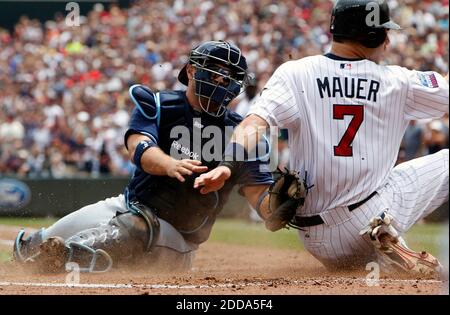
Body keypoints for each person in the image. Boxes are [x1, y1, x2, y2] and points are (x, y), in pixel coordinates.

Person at [195, 0, 449, 277]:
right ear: (373, 35)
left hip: (314, 237)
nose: (388, 38)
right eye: (384, 31)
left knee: (361, 260)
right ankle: (383, 236)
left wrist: (226, 165)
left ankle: (388, 252)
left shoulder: (295, 73)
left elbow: (255, 123)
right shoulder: (397, 81)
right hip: (367, 216)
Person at [13, 41, 273, 273]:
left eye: (229, 76)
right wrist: (169, 164)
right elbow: (139, 147)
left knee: (135, 226)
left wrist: (280, 207)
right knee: (35, 246)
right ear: (192, 70)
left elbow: (261, 198)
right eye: (216, 71)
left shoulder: (242, 134)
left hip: (176, 238)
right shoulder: (159, 104)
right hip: (127, 204)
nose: (221, 80)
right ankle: (53, 258)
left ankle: (73, 258)